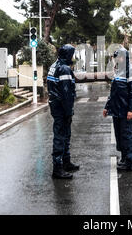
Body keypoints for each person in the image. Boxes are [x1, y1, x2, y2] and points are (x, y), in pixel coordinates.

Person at [103, 47, 132, 171]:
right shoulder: (118, 71)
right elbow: (113, 92)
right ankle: (124, 158)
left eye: (118, 57)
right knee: (119, 135)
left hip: (126, 111)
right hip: (116, 110)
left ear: (124, 57)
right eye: (116, 57)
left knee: (127, 135)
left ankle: (131, 162)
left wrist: (131, 110)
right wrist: (107, 107)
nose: (117, 59)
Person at [47, 44, 79, 179]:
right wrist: (68, 111)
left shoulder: (54, 65)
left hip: (55, 105)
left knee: (64, 135)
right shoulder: (64, 69)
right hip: (62, 108)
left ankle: (66, 162)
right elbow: (66, 93)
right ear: (68, 54)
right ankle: (58, 168)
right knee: (61, 137)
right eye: (72, 54)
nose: (73, 56)